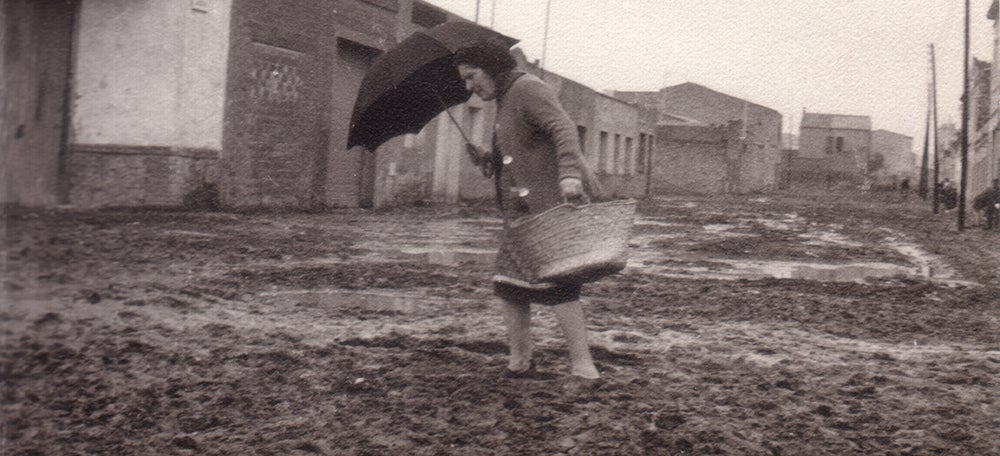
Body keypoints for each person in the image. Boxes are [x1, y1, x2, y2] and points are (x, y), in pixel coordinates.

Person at [454, 40, 602, 382]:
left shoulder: (528, 88)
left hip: (548, 209)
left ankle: (584, 368)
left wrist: (569, 175)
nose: (469, 87)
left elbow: (563, 129)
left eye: (472, 76)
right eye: (464, 80)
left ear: (492, 67)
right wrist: (488, 158)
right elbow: (523, 153)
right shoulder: (506, 98)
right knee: (509, 286)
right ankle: (520, 362)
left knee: (560, 285)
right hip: (520, 214)